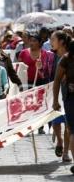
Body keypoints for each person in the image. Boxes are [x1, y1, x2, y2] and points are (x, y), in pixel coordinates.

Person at [19, 32, 54, 134]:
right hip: (27, 82)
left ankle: (40, 126)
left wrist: (41, 67)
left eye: (34, 41)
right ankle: (28, 126)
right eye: (30, 40)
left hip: (41, 81)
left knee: (40, 104)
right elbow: (19, 68)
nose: (32, 42)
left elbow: (49, 69)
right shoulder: (23, 53)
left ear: (40, 43)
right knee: (28, 104)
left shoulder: (45, 54)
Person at [50, 30, 72, 162]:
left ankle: (65, 152)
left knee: (69, 124)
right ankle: (60, 141)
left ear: (61, 42)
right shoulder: (52, 56)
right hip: (54, 91)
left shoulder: (70, 55)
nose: (51, 42)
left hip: (68, 94)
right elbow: (48, 74)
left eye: (53, 39)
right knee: (56, 120)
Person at [53, 40, 74, 174]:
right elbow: (57, 81)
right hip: (71, 99)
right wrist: (55, 100)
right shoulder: (65, 60)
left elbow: (57, 81)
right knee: (73, 131)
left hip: (70, 99)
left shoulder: (66, 59)